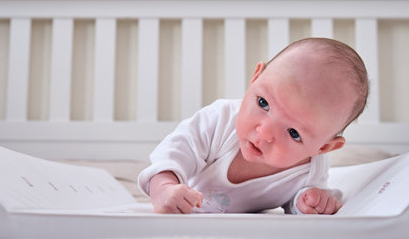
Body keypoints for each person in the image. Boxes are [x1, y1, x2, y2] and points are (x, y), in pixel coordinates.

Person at [137, 37, 369, 215]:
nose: (265, 132)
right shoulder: (221, 120)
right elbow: (174, 152)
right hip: (183, 209)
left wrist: (308, 201)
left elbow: (293, 201)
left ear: (324, 147)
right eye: (263, 103)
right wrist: (165, 188)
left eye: (293, 133)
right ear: (256, 77)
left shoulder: (311, 171)